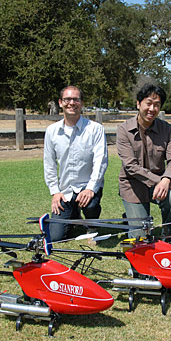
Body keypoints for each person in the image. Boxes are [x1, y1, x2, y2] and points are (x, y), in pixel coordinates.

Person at [117, 84, 171, 238]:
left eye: (157, 105)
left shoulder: (167, 129)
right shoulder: (123, 130)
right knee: (141, 238)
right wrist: (162, 180)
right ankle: (132, 218)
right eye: (148, 103)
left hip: (158, 186)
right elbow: (131, 167)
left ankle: (169, 237)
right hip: (133, 185)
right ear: (138, 104)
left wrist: (166, 179)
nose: (152, 109)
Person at [43, 86, 108, 241]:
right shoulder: (52, 131)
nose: (71, 103)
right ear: (60, 103)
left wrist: (91, 189)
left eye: (76, 99)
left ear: (82, 103)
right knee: (56, 237)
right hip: (65, 190)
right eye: (67, 99)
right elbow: (49, 163)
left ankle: (92, 225)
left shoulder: (95, 129)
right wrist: (55, 192)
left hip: (88, 187)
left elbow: (101, 161)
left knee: (91, 205)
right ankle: (73, 216)